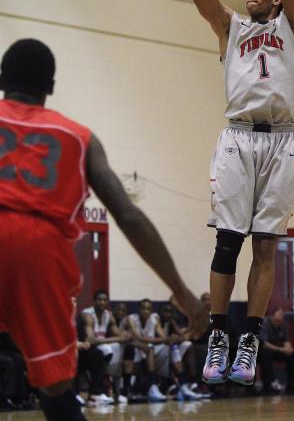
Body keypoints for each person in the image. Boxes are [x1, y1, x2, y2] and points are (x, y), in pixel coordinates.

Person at [0, 39, 208, 421]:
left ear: (0, 79)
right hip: (38, 250)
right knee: (56, 387)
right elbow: (129, 217)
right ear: (50, 86)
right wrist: (181, 292)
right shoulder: (80, 138)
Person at [181, 0, 294, 386]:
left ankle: (249, 339)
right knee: (228, 242)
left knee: (266, 247)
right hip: (237, 138)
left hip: (281, 141)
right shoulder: (230, 29)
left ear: (275, 0)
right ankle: (219, 334)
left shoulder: (293, 28)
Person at [80, 290, 129, 404]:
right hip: (85, 349)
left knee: (122, 347)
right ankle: (100, 388)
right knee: (106, 349)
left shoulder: (109, 315)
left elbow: (119, 334)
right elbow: (91, 340)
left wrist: (127, 335)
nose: (102, 302)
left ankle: (117, 388)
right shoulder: (87, 314)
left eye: (104, 300)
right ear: (94, 301)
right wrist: (117, 339)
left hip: (100, 348)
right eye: (99, 300)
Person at [259, 308, 294, 394]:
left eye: (280, 321)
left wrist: (289, 348)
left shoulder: (283, 324)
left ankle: (292, 384)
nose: (278, 323)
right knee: (266, 354)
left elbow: (286, 340)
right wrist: (281, 349)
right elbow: (265, 343)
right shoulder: (265, 323)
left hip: (279, 349)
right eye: (276, 321)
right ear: (272, 317)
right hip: (265, 349)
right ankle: (267, 385)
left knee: (292, 354)